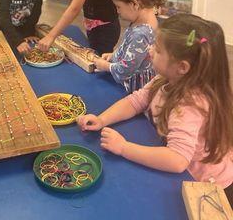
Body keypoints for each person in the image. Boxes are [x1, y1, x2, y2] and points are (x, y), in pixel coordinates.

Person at [77, 14, 233, 205]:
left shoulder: (189, 106)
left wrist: (124, 148)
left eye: (158, 50)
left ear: (182, 67)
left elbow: (177, 160)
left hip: (206, 187)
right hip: (183, 170)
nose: (150, 50)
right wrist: (102, 119)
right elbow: (137, 101)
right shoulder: (165, 79)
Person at [93, 0, 166, 92]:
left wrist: (106, 66)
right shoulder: (148, 19)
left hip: (134, 87)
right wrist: (114, 55)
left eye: (118, 6)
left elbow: (125, 70)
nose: (117, 11)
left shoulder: (141, 34)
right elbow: (134, 53)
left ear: (134, 4)